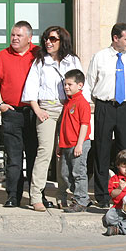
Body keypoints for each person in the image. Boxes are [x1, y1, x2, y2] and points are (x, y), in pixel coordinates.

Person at [22, 26, 87, 212]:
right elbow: (31, 88)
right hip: (47, 109)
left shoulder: (72, 61)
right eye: (46, 39)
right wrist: (37, 110)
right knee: (45, 151)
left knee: (65, 154)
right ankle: (35, 195)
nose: (48, 42)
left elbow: (81, 86)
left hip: (68, 109)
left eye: (52, 39)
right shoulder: (40, 62)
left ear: (62, 41)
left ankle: (62, 195)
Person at [87, 23, 126, 208]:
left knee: (125, 152)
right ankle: (102, 195)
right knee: (102, 150)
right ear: (115, 38)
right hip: (105, 106)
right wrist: (99, 104)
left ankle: (125, 193)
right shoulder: (100, 57)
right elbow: (90, 82)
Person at [0, 21, 39, 207]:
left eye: (19, 36)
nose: (15, 38)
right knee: (14, 157)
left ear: (29, 38)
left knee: (35, 155)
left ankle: (36, 196)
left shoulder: (38, 54)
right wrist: (0, 103)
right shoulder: (2, 55)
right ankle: (13, 195)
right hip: (11, 112)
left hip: (33, 112)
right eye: (13, 35)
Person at [57, 69, 92, 213]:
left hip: (78, 144)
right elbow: (63, 125)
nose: (66, 87)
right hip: (66, 144)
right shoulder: (67, 102)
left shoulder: (82, 103)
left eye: (70, 84)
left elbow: (84, 124)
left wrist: (79, 144)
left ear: (80, 85)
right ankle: (81, 196)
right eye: (65, 84)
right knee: (65, 174)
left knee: (79, 173)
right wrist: (59, 145)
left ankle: (81, 200)